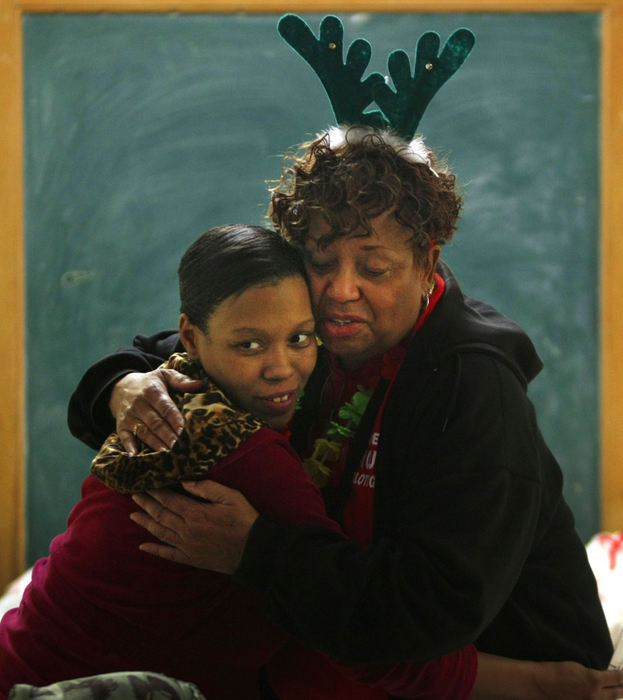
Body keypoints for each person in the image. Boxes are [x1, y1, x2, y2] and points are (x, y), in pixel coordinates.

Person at [68, 128, 618, 698]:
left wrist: (253, 551)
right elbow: (175, 356)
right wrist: (120, 386)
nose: (340, 291)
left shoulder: (474, 388)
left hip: (500, 662)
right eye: (320, 261)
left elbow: (430, 615)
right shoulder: (301, 332)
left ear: (426, 259)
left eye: (373, 269)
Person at [0, 224, 387, 699]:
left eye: (301, 338)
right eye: (250, 345)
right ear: (191, 337)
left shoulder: (179, 378)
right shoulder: (246, 455)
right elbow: (357, 615)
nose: (281, 367)